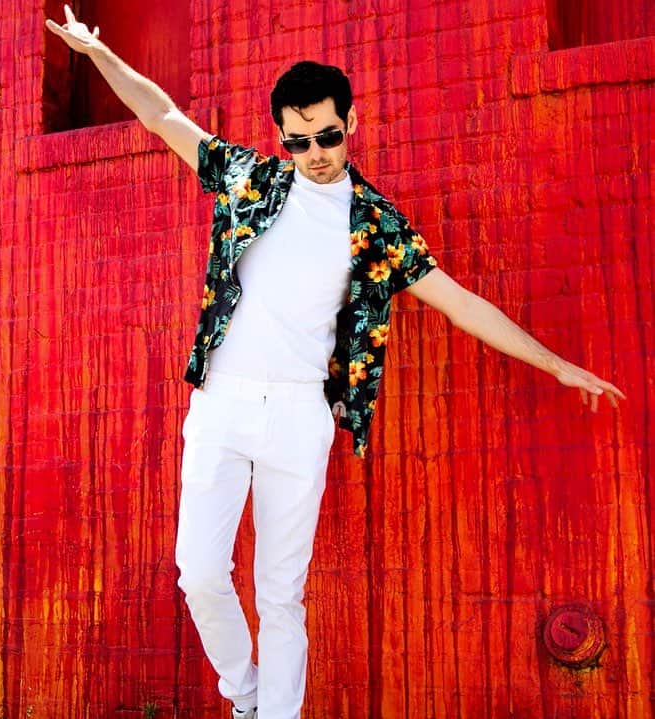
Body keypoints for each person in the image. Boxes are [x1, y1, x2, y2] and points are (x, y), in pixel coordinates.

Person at [46, 7, 626, 719]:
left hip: (298, 412)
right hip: (223, 401)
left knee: (281, 593)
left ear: (351, 124)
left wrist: (554, 363)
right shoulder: (250, 181)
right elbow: (162, 114)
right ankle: (245, 694)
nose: (315, 151)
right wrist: (98, 51)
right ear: (281, 137)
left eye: (326, 135)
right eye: (299, 140)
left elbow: (458, 301)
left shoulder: (373, 221)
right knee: (198, 571)